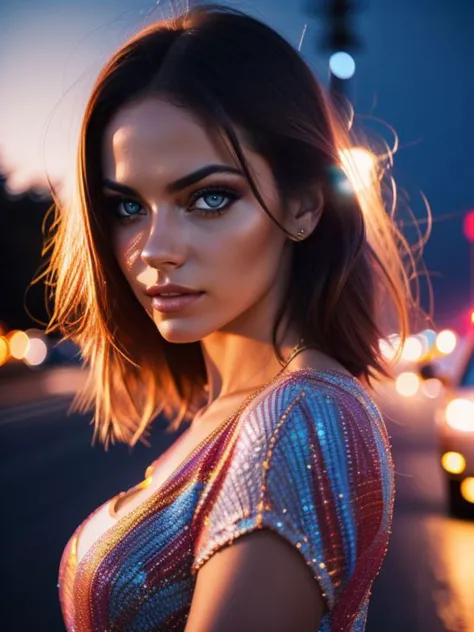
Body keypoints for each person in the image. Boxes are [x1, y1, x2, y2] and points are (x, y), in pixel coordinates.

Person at [46, 4, 419, 631]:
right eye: (129, 206)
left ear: (303, 205)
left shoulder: (296, 423)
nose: (154, 248)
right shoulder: (245, 411)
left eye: (209, 197)